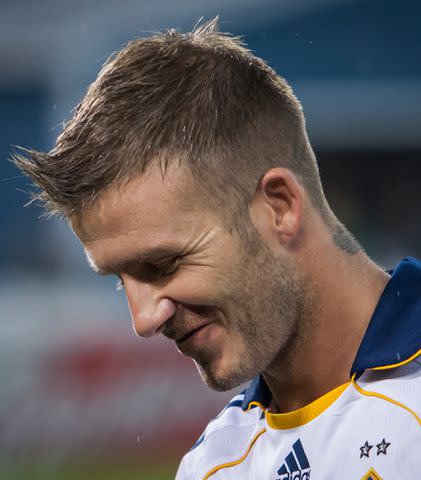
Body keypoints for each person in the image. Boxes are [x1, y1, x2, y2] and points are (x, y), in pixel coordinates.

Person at [14, 18, 420, 479]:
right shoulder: (210, 468)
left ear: (279, 208)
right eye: (118, 280)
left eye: (163, 263)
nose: (143, 321)